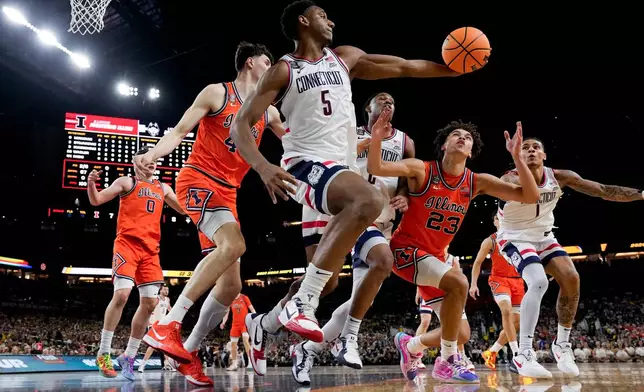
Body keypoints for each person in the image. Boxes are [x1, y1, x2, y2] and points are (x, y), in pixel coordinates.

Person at [229, 0, 472, 376]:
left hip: (340, 172)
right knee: (368, 199)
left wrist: (451, 71)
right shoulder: (284, 69)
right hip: (304, 166)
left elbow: (405, 67)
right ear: (303, 20)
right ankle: (305, 304)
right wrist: (262, 166)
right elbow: (240, 125)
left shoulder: (345, 58)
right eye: (324, 15)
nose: (332, 21)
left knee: (361, 268)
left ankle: (268, 323)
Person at [135, 42, 285, 387]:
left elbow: (297, 143)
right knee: (234, 245)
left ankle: (187, 351)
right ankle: (168, 324)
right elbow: (178, 131)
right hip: (198, 180)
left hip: (227, 194)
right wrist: (152, 155)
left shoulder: (269, 111)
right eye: (268, 61)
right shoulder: (218, 92)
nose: (273, 67)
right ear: (250, 63)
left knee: (232, 284)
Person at [367, 109, 540, 383]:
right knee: (458, 282)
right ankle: (448, 359)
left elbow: (530, 196)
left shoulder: (475, 182)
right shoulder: (422, 170)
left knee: (461, 333)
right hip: (405, 251)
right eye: (456, 135)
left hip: (434, 260)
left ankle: (410, 345)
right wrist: (376, 138)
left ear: (471, 151)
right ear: (444, 144)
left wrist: (517, 158)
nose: (462, 138)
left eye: (468, 137)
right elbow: (376, 168)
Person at [288, 92, 414, 384]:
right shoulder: (349, 132)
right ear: (366, 108)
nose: (387, 103)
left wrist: (405, 198)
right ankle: (348, 339)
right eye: (380, 99)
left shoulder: (406, 141)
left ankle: (307, 349)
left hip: (385, 222)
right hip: (356, 215)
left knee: (361, 301)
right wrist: (369, 141)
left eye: (392, 101)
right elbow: (330, 161)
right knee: (383, 261)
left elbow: (406, 183)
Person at [497, 137, 644, 378]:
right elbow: (523, 192)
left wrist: (641, 194)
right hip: (515, 237)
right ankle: (523, 354)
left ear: (544, 156)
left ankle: (562, 344)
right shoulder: (509, 178)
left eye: (536, 148)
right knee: (538, 281)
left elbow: (604, 191)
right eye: (525, 148)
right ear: (517, 156)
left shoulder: (560, 177)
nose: (531, 150)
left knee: (571, 278)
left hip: (544, 236)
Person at [87, 147, 185, 381]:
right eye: (145, 160)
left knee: (150, 304)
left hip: (151, 251)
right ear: (135, 164)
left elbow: (184, 209)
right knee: (121, 296)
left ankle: (129, 357)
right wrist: (91, 183)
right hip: (127, 245)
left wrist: (186, 185)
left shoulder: (163, 188)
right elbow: (97, 200)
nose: (150, 163)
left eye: (153, 160)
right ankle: (103, 353)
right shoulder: (126, 182)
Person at [469, 213, 522, 371]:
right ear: (494, 222)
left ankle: (491, 352)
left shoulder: (519, 237)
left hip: (518, 281)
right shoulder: (490, 240)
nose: (501, 221)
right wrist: (473, 284)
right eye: (498, 218)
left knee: (516, 324)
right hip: (499, 280)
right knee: (506, 310)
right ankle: (517, 354)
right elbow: (477, 262)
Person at [138, 284, 173, 373]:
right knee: (153, 346)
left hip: (162, 325)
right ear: (160, 290)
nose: (166, 291)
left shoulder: (167, 299)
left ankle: (168, 364)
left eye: (167, 289)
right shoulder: (156, 298)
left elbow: (170, 309)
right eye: (165, 289)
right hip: (153, 324)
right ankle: (142, 365)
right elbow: (148, 309)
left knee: (164, 346)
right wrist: (147, 321)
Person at [220, 293, 256, 371]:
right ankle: (234, 364)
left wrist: (255, 319)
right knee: (233, 344)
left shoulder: (244, 297)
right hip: (235, 325)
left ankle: (251, 362)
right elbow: (226, 312)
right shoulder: (230, 299)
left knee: (245, 340)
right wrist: (223, 322)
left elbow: (252, 309)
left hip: (245, 323)